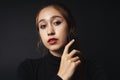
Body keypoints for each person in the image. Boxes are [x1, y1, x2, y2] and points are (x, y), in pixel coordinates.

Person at [17, 0, 108, 80]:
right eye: (43, 26)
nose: (50, 31)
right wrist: (61, 77)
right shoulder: (28, 69)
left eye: (56, 23)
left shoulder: (92, 69)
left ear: (70, 28)